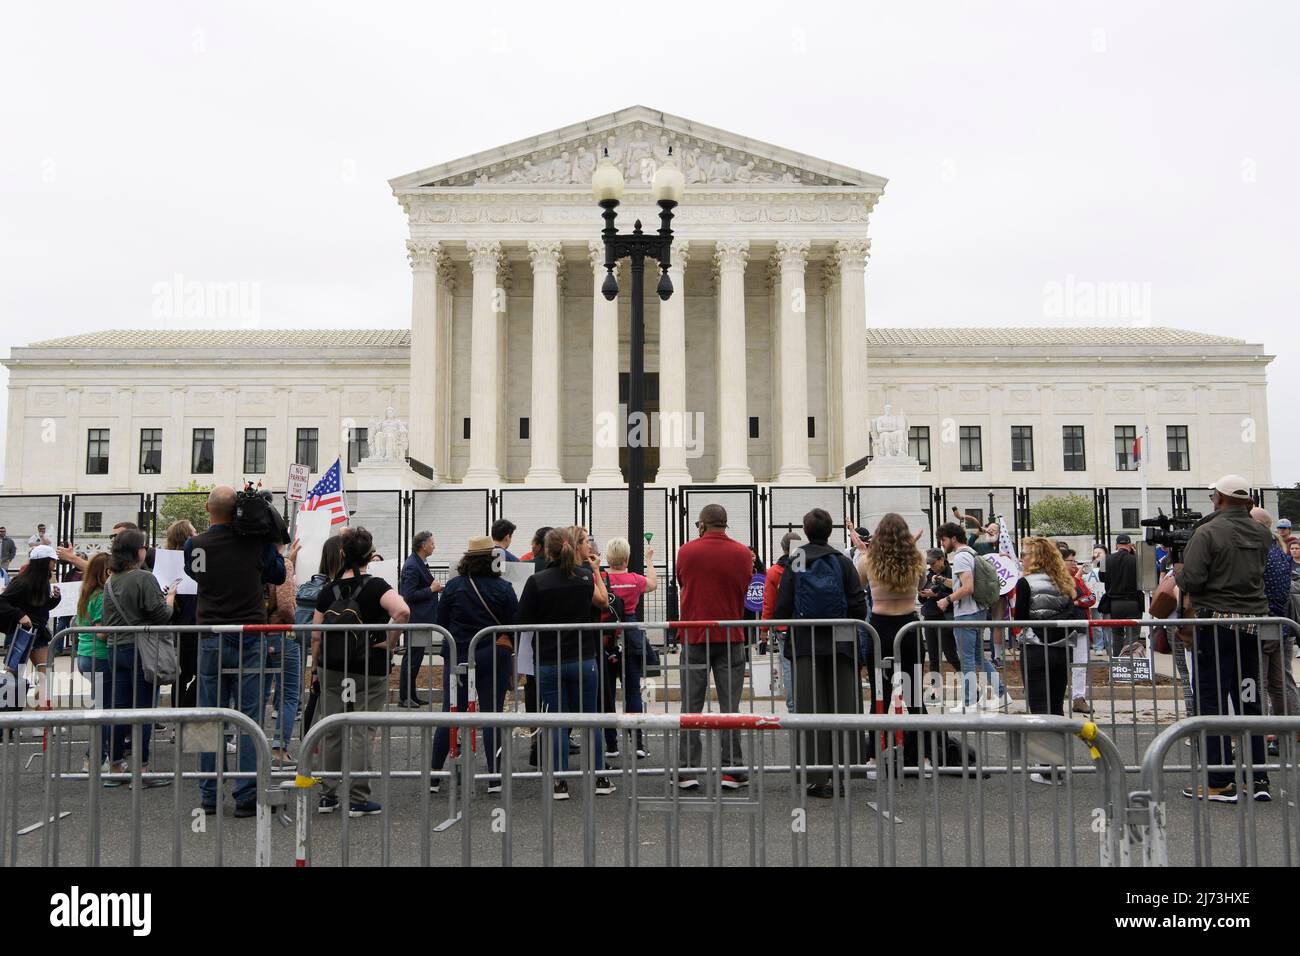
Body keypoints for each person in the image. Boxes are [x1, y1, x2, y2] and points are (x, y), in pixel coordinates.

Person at [184, 485, 287, 816]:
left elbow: (194, 573)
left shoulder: (195, 545)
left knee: (207, 717)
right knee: (248, 717)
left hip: (211, 635)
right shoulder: (256, 545)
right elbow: (279, 573)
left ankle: (208, 794)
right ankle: (246, 793)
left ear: (207, 508)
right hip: (248, 635)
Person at [1176, 474, 1273, 803]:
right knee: (1249, 699)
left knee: (1212, 700)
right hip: (1251, 624)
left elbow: (1192, 579)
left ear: (1218, 498)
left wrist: (1178, 570)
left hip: (1216, 624)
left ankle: (1219, 780)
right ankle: (1257, 777)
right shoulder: (1262, 533)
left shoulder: (1207, 532)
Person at [310, 527, 410, 816]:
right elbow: (402, 612)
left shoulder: (328, 590)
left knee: (331, 730)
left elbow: (316, 634)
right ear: (369, 555)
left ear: (342, 554)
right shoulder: (378, 586)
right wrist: (389, 644)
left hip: (331, 666)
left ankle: (327, 796)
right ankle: (357, 797)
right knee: (362, 731)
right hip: (368, 667)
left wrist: (315, 668)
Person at [772, 509, 868, 796]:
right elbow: (858, 604)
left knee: (810, 709)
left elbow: (783, 605)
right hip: (841, 641)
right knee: (843, 707)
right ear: (829, 531)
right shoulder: (841, 561)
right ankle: (844, 771)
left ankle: (816, 775)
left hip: (805, 641)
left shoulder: (797, 559)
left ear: (805, 529)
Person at [515, 526, 613, 800]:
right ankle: (599, 777)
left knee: (557, 719)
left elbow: (522, 620)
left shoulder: (537, 581)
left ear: (547, 551)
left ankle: (559, 781)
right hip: (583, 655)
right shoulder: (583, 577)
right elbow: (602, 603)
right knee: (590, 718)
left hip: (549, 658)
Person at [673, 504, 754, 790]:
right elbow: (744, 587)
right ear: (725, 524)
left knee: (691, 706)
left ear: (702, 525)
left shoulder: (686, 551)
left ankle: (686, 769)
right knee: (730, 706)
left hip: (695, 635)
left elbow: (682, 581)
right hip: (731, 637)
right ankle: (732, 768)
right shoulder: (744, 554)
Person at [430, 535, 519, 793]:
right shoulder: (503, 587)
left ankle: (435, 775)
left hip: (458, 652)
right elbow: (513, 622)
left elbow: (441, 620)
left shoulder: (454, 586)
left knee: (450, 712)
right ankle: (494, 777)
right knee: (492, 714)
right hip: (492, 652)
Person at [100, 529, 176, 788]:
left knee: (118, 710)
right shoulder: (144, 578)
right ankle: (142, 769)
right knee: (144, 711)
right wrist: (170, 600)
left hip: (115, 649)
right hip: (141, 651)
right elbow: (162, 616)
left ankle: (115, 767)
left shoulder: (111, 581)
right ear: (138, 551)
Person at [858, 513, 926, 767]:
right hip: (908, 625)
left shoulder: (869, 560)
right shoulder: (917, 558)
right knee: (914, 695)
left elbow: (857, 586)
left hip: (880, 627)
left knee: (880, 695)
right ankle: (923, 757)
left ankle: (874, 757)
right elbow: (922, 583)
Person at [1012, 537, 1083, 783]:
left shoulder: (1025, 583)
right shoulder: (1064, 581)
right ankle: (1058, 765)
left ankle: (1046, 768)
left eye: (1025, 554)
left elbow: (1019, 617)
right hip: (1061, 648)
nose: (1022, 558)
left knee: (1039, 707)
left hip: (1035, 647)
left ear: (1035, 557)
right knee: (1055, 706)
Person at [936, 522, 1008, 711]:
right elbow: (963, 584)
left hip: (966, 614)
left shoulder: (961, 557)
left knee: (967, 659)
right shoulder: (972, 553)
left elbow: (968, 588)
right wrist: (944, 581)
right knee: (977, 657)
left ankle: (969, 702)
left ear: (953, 538)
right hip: (978, 611)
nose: (942, 544)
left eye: (943, 539)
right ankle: (1002, 693)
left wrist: (947, 600)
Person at [600, 536, 658, 759]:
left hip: (605, 639)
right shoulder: (634, 580)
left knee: (606, 694)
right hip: (630, 638)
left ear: (608, 557)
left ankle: (611, 744)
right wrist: (649, 561)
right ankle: (638, 743)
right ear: (627, 558)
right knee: (632, 691)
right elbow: (653, 583)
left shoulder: (601, 579)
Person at [1250, 508, 1299, 723]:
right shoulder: (1278, 550)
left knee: (1260, 682)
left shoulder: (1262, 553)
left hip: (1264, 625)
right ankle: (1288, 730)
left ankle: (1263, 733)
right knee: (1280, 683)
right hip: (1280, 625)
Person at [0, 544, 61, 703]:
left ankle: (43, 718)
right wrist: (20, 615)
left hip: (39, 633)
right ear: (44, 562)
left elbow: (40, 607)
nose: (54, 564)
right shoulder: (22, 581)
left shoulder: (43, 581)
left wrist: (55, 599)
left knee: (45, 676)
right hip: (19, 634)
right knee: (12, 677)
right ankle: (9, 718)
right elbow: (2, 601)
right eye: (52, 561)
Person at [73, 552, 111, 770]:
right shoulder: (101, 596)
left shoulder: (85, 594)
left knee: (100, 706)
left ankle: (95, 756)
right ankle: (95, 757)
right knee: (104, 711)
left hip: (84, 655)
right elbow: (101, 633)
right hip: (100, 656)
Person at [265, 540, 301, 766]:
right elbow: (287, 604)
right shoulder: (281, 565)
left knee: (257, 694)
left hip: (257, 633)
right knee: (289, 694)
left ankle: (248, 746)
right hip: (281, 632)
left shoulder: (254, 561)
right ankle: (280, 749)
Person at [398, 531, 442, 708]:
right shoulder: (412, 566)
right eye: (432, 543)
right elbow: (408, 594)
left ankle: (411, 695)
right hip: (416, 619)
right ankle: (405, 696)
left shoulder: (418, 563)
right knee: (412, 658)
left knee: (416, 658)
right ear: (423, 545)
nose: (434, 546)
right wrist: (431, 590)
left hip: (421, 619)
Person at [161, 521, 199, 710]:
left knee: (183, 676)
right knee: (193, 674)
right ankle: (183, 714)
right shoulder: (190, 560)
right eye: (193, 532)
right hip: (190, 625)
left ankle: (180, 716)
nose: (197, 534)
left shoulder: (193, 558)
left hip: (181, 626)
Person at [762, 531, 801, 712]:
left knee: (788, 668)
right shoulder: (805, 567)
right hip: (804, 624)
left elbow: (769, 604)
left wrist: (764, 629)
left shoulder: (774, 571)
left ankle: (792, 706)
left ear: (782, 547)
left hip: (783, 626)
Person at [918, 548, 961, 685]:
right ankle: (935, 687)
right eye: (929, 564)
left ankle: (970, 682)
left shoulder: (951, 574)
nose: (932, 566)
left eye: (933, 563)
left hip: (944, 618)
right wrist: (923, 594)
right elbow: (922, 599)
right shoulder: (930, 574)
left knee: (951, 655)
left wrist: (936, 595)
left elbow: (957, 594)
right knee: (933, 656)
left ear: (942, 559)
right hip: (930, 617)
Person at [1063, 549, 1097, 714]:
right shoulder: (1062, 580)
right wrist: (1076, 602)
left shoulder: (1078, 580)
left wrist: (1077, 603)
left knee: (1079, 664)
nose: (1075, 564)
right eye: (1071, 561)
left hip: (1079, 628)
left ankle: (1078, 697)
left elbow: (1091, 598)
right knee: (1068, 664)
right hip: (1066, 628)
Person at [1099, 534, 1142, 655]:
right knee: (1132, 636)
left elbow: (1101, 578)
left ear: (1116, 545)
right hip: (1134, 602)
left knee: (1116, 635)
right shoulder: (1137, 560)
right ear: (1129, 545)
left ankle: (1117, 663)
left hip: (1114, 604)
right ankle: (1130, 663)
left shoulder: (1104, 559)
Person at [1086, 547, 1110, 652]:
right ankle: (1099, 646)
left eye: (1099, 552)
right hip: (1095, 600)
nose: (1096, 554)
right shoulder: (1089, 567)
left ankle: (1109, 646)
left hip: (1106, 598)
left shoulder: (1109, 565)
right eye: (1095, 552)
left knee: (1108, 624)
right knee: (1097, 625)